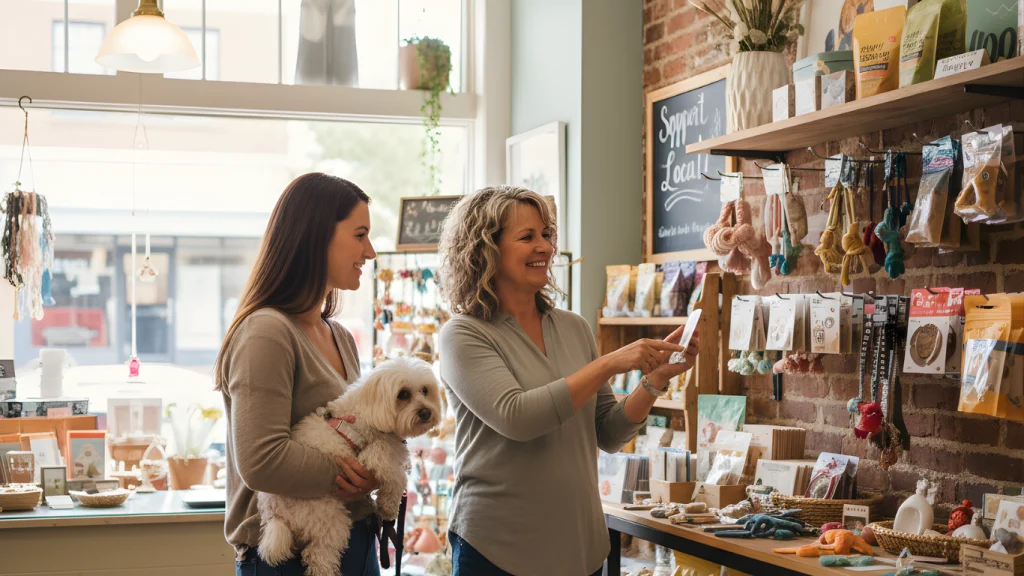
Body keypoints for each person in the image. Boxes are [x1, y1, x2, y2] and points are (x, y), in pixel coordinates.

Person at [437, 186, 700, 576]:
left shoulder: (574, 327)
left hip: (580, 548)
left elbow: (608, 432)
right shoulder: (463, 334)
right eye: (527, 237)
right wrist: (609, 363)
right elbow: (518, 417)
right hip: (498, 549)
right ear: (485, 250)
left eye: (546, 234)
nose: (544, 247)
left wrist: (653, 382)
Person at [216, 172, 382, 576]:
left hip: (353, 542)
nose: (371, 251)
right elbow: (262, 460)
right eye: (360, 235)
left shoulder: (339, 336)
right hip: (287, 555)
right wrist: (354, 476)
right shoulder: (267, 332)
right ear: (316, 236)